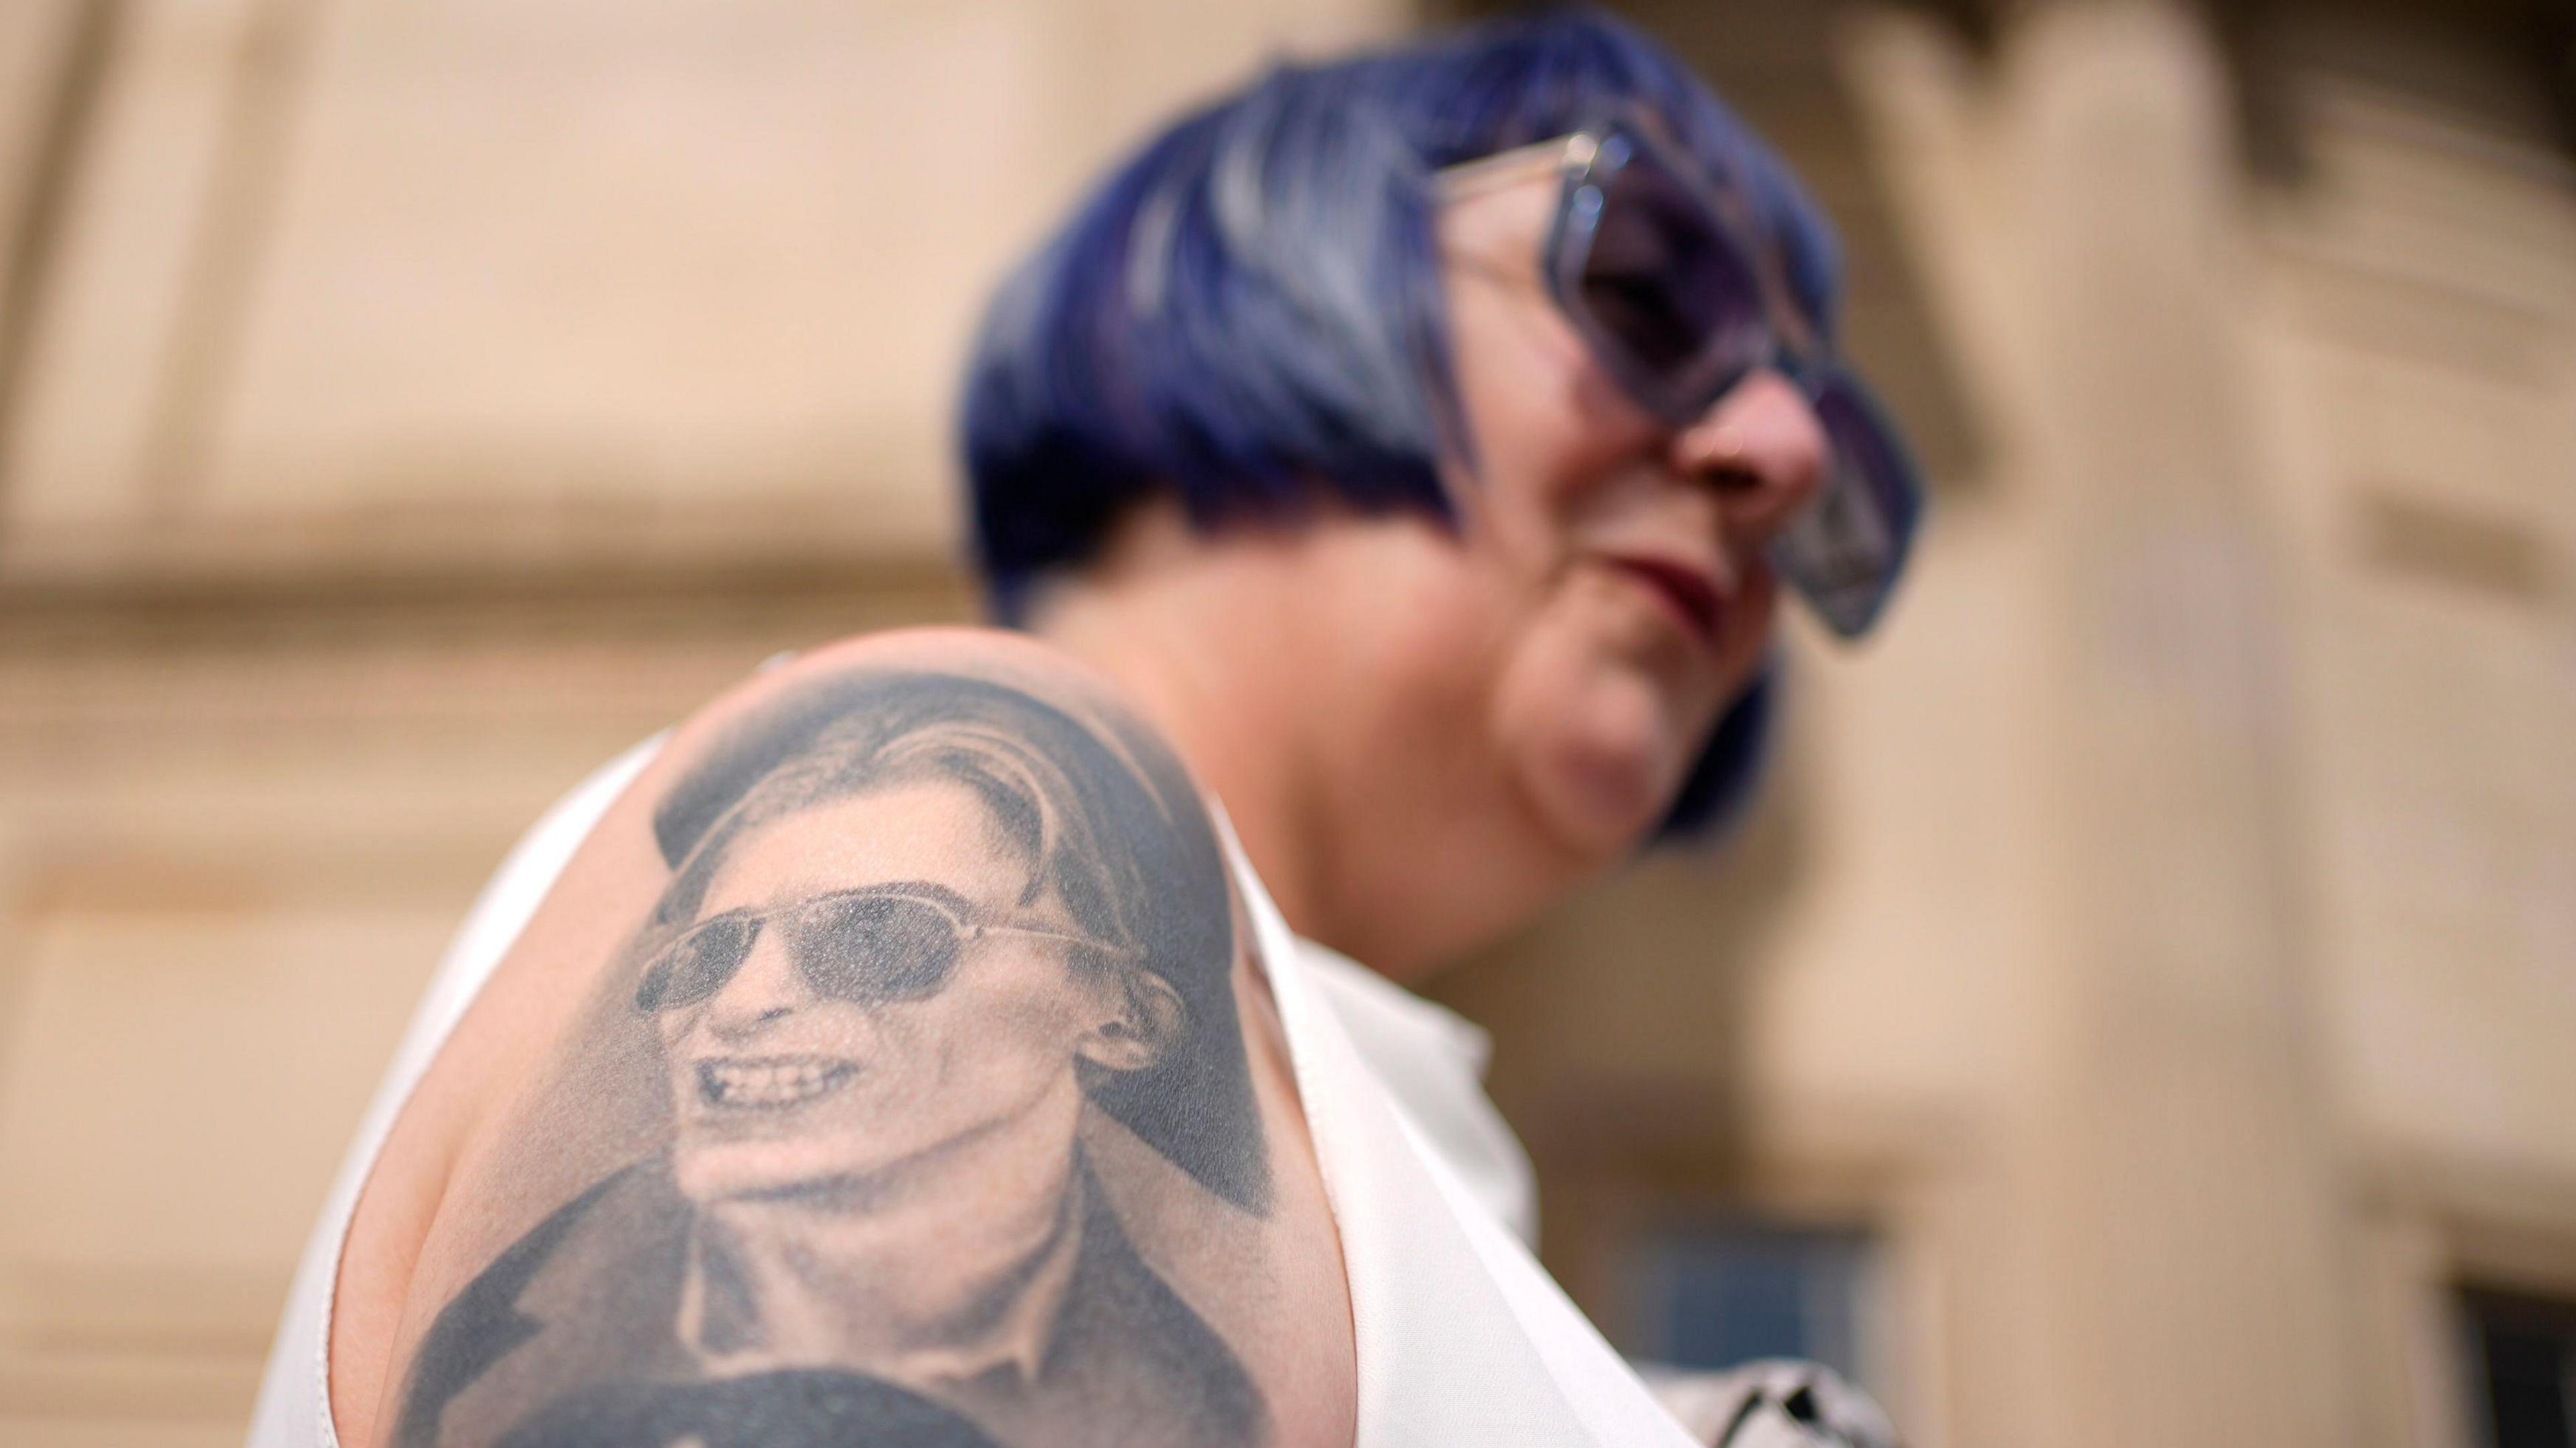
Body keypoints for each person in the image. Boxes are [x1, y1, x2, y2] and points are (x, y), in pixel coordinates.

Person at [250, 10, 1920, 1448]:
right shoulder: (933, 751)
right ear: (1263, 268)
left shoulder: (1368, 1164)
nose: (1776, 451)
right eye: (1645, 287)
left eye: (1844, 465)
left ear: (1119, 1009)